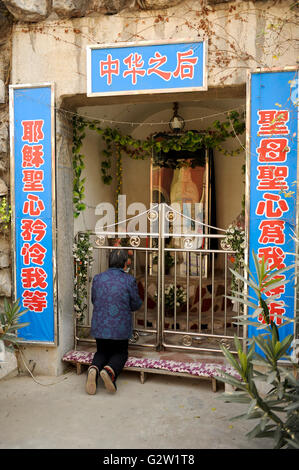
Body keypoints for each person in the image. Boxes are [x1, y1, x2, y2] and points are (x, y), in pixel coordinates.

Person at [85, 249, 142, 395]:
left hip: (100, 325)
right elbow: (135, 304)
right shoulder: (129, 280)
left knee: (102, 352)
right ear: (124, 264)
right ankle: (109, 372)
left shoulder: (98, 278)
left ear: (109, 262)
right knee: (121, 353)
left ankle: (93, 369)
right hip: (120, 328)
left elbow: (94, 300)